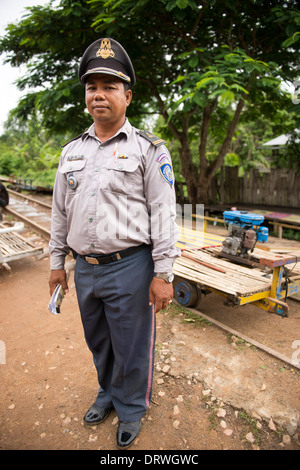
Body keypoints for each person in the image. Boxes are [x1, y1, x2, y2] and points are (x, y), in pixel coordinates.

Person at [49, 38, 180, 449]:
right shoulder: (71, 152)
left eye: (109, 86)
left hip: (131, 266)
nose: (99, 94)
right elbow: (59, 212)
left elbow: (164, 214)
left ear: (127, 95)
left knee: (132, 342)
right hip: (85, 267)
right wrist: (57, 263)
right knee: (99, 340)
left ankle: (131, 408)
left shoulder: (148, 150)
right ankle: (108, 392)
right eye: (92, 87)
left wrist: (164, 274)